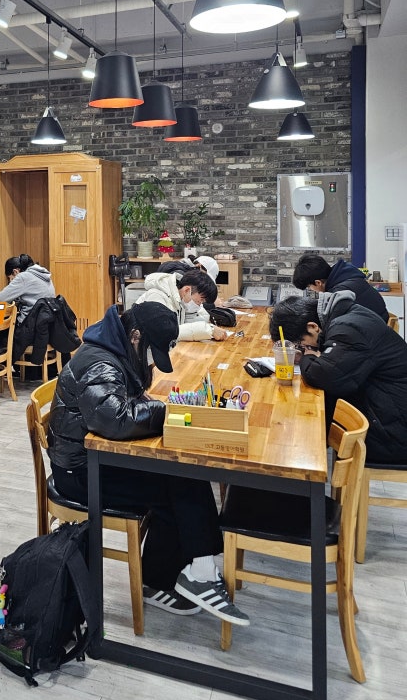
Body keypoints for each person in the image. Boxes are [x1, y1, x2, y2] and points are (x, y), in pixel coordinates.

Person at [47, 301, 250, 626]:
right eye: (152, 352)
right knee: (177, 482)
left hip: (95, 459)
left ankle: (178, 575)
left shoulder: (112, 347)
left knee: (180, 476)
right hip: (81, 474)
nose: (152, 361)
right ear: (137, 336)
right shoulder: (100, 362)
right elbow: (115, 419)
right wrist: (166, 411)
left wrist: (159, 409)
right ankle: (185, 575)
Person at [270, 292, 407, 465]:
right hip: (387, 410)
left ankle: (302, 462)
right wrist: (312, 353)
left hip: (393, 433)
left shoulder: (350, 329)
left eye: (300, 346)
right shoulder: (344, 316)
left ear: (312, 327)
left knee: (302, 425)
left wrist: (308, 355)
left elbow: (324, 376)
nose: (300, 351)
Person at [136, 269, 228, 341]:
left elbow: (191, 322)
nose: (199, 305)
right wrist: (209, 330)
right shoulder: (157, 296)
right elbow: (162, 331)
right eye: (200, 301)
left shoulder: (180, 299)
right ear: (187, 290)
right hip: (145, 354)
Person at [292, 254, 388, 322]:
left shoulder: (339, 293)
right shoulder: (348, 277)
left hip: (372, 336)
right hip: (379, 326)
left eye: (309, 287)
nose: (312, 290)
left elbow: (334, 325)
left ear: (318, 283)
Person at [0, 254, 55, 325]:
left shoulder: (23, 277)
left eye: (11, 278)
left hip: (29, 325)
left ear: (15, 272)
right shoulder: (44, 274)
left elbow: (0, 299)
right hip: (46, 324)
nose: (10, 282)